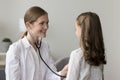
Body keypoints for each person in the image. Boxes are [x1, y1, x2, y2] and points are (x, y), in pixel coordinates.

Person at [5, 6, 67, 80]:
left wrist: (62, 73)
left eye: (47, 23)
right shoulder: (15, 49)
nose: (46, 27)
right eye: (42, 23)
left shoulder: (45, 47)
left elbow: (50, 76)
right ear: (29, 25)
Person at [66, 12, 107, 80]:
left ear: (83, 31)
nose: (75, 32)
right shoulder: (100, 54)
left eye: (76, 29)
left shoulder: (76, 55)